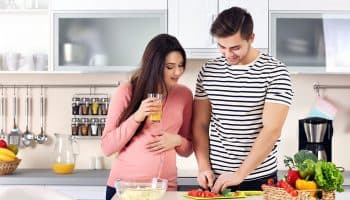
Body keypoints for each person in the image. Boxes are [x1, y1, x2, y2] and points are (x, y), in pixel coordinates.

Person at [192, 6, 293, 193]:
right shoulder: (208, 71)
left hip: (258, 179)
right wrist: (203, 166)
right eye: (222, 47)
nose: (228, 54)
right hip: (215, 178)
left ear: (251, 38)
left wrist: (240, 173)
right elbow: (199, 123)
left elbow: (271, 130)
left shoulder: (276, 72)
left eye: (235, 47)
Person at [101, 33, 193, 200]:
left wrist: (177, 141)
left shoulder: (184, 95)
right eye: (170, 67)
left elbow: (188, 149)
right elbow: (107, 147)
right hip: (125, 190)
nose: (178, 72)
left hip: (165, 190)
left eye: (181, 65)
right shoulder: (127, 91)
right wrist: (138, 116)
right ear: (154, 66)